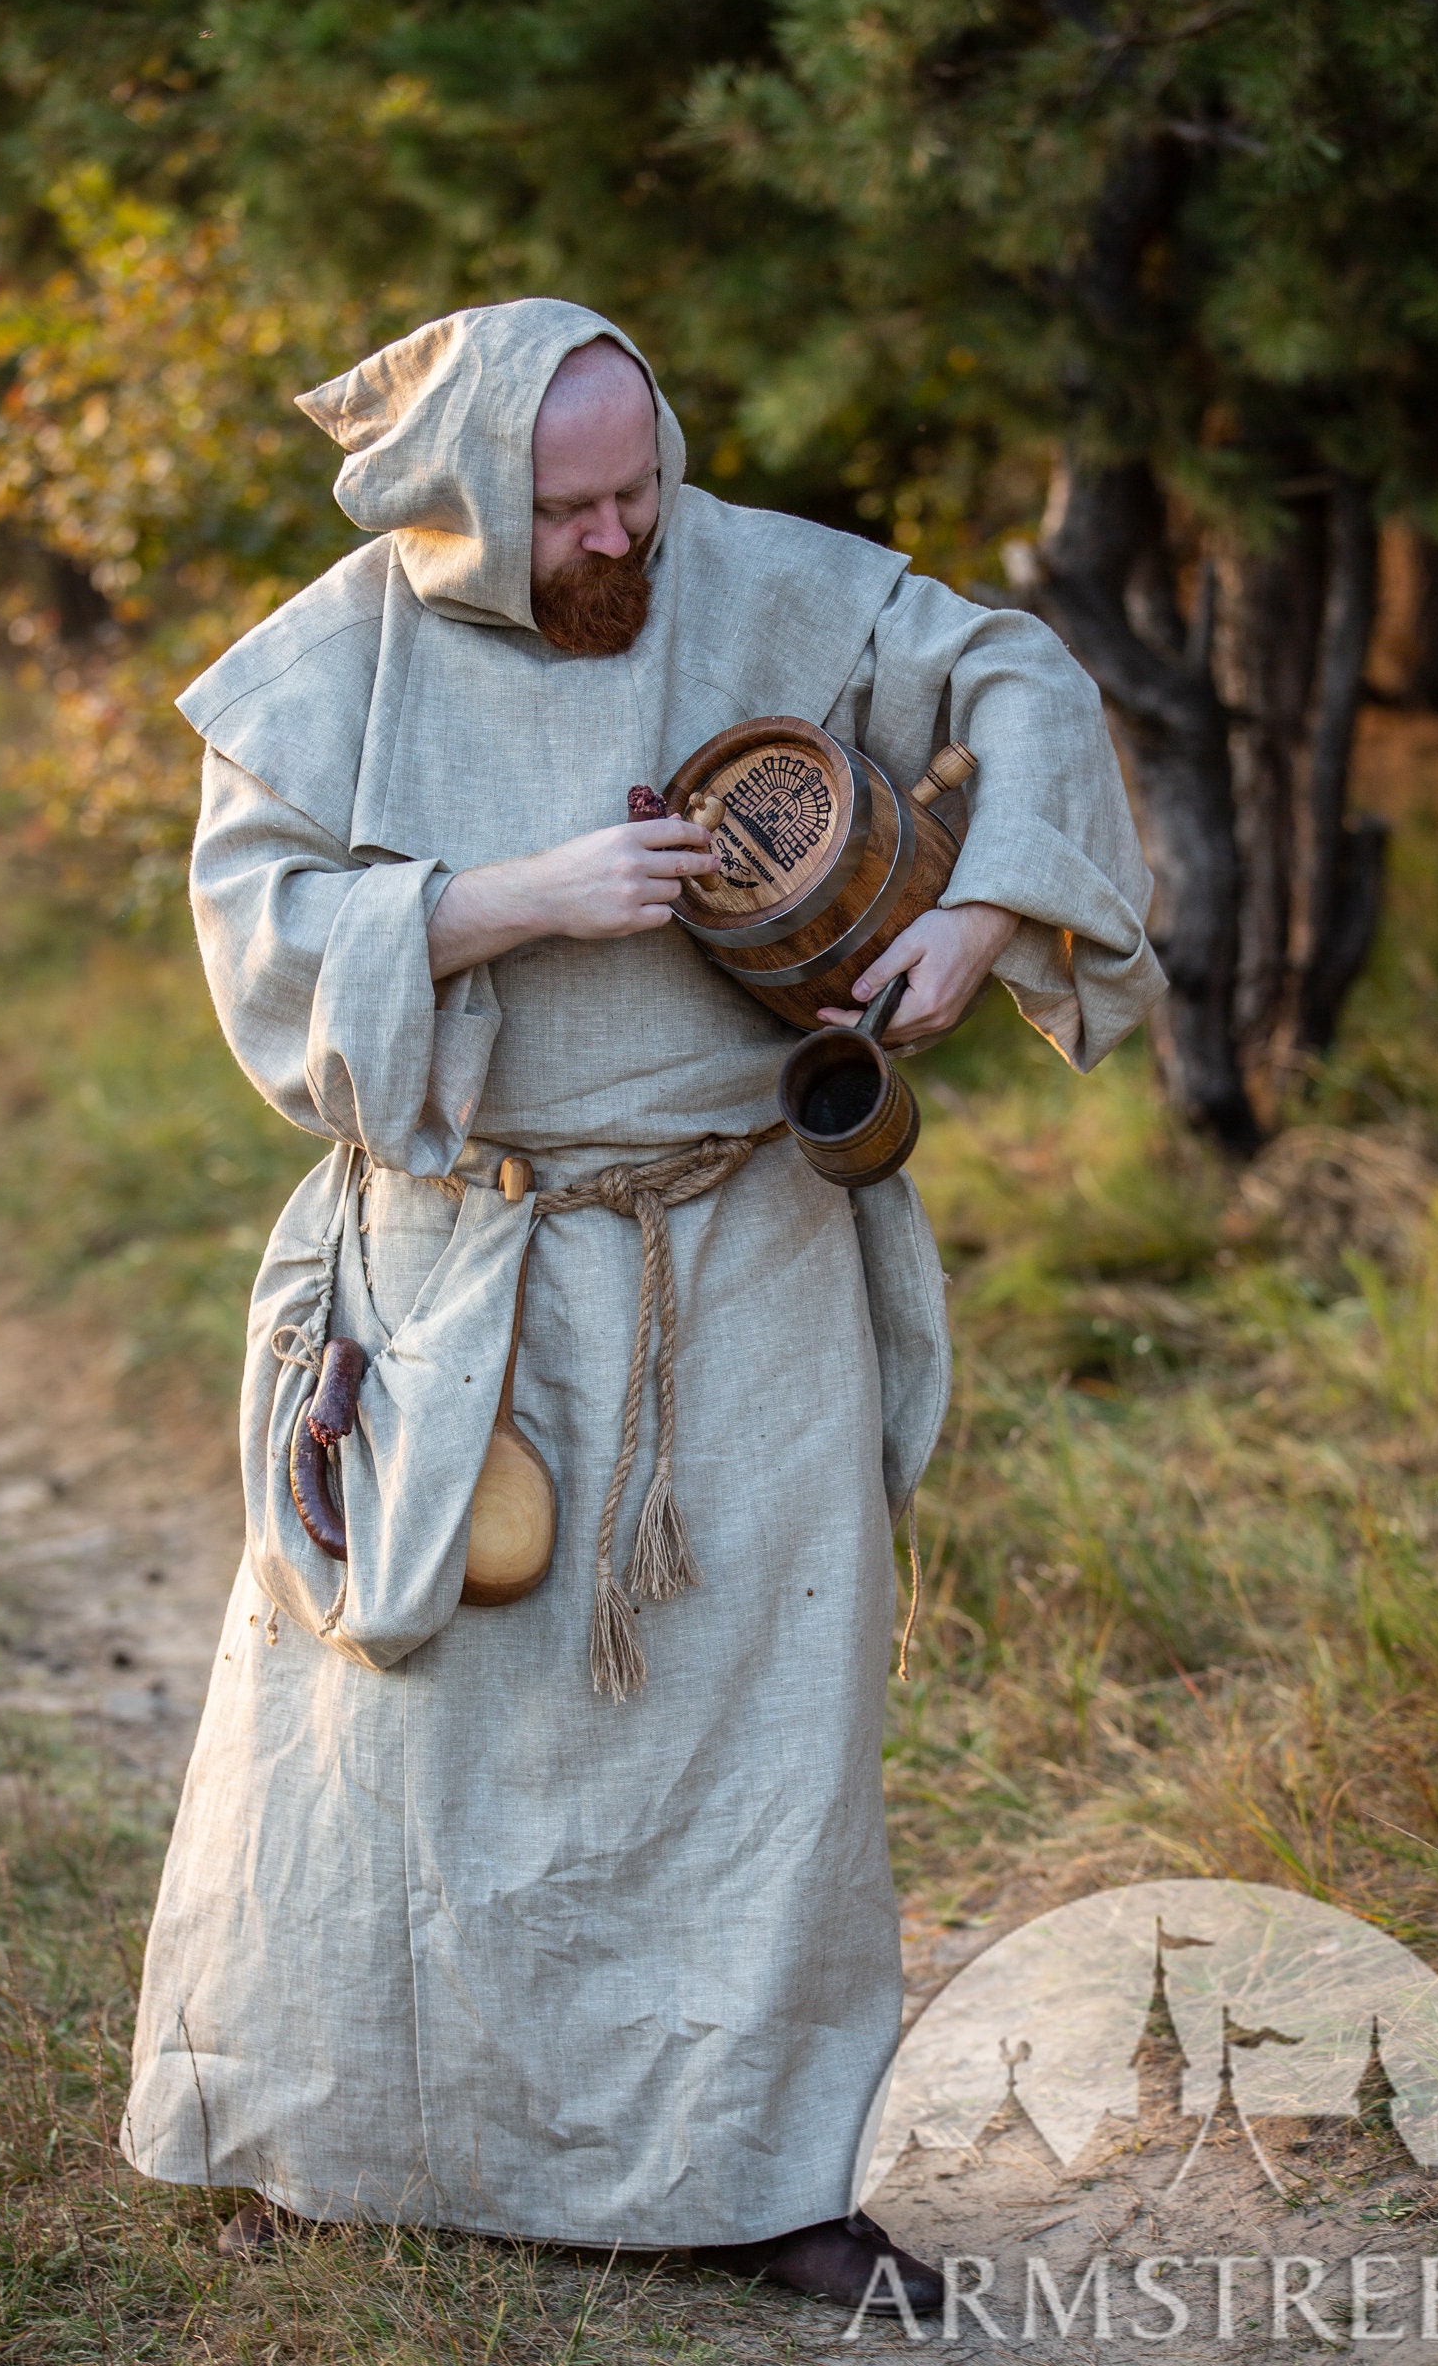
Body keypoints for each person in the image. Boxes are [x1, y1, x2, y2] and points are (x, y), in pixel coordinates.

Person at [120, 299, 1164, 2315]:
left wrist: (982, 905)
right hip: (461, 1270)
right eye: (573, 513)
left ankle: (760, 2172)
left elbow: (1009, 669)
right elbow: (261, 948)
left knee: (759, 1739)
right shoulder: (339, 659)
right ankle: (358, 2129)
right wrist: (509, 897)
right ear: (463, 511)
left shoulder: (752, 572)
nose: (626, 542)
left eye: (640, 489)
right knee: (419, 1727)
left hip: (744, 1249)